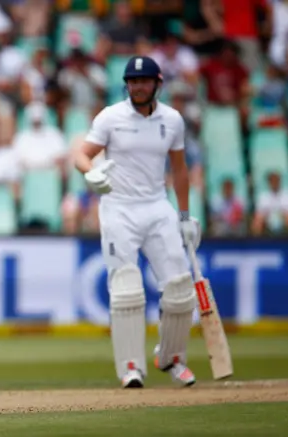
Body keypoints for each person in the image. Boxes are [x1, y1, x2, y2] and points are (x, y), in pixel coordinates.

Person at [72, 56, 201, 389]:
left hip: (158, 207)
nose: (138, 86)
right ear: (126, 84)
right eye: (133, 81)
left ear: (158, 83)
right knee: (126, 289)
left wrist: (184, 216)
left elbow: (180, 169)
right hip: (119, 209)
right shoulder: (111, 117)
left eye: (144, 81)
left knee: (179, 287)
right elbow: (81, 155)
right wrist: (92, 172)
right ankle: (131, 367)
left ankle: (171, 358)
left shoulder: (172, 120)